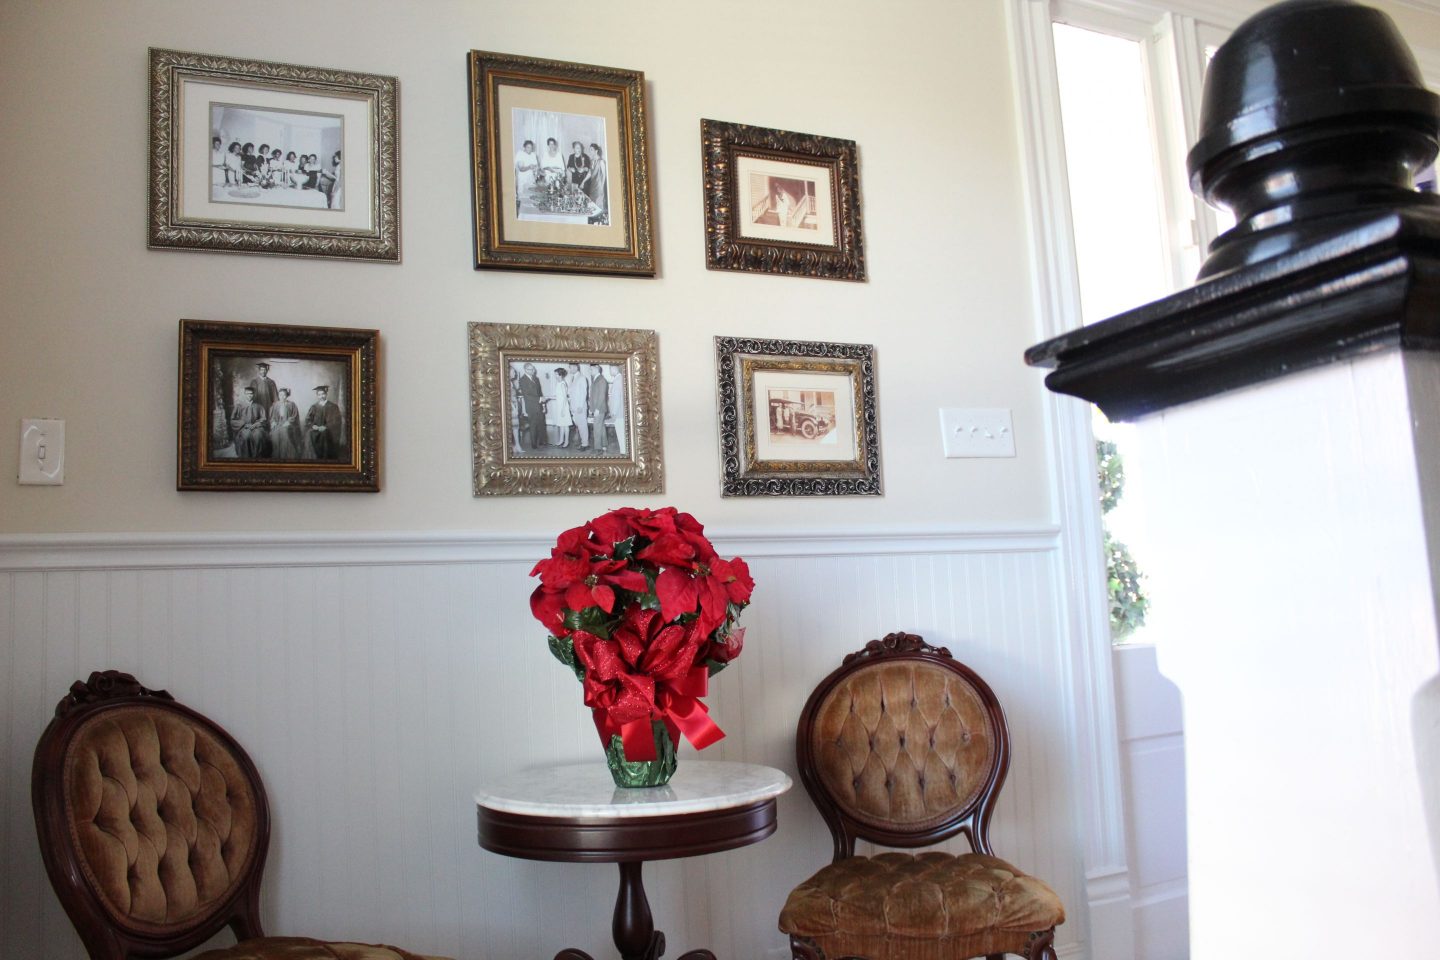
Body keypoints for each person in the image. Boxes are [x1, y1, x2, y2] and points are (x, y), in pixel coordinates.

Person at [228, 386, 270, 458]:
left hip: (256, 427)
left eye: (251, 394)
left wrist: (256, 424)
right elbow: (233, 420)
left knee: (259, 436)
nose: (249, 395)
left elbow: (264, 418)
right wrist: (243, 424)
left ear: (254, 394)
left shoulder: (258, 406)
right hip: (244, 427)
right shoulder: (239, 406)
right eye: (247, 394)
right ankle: (246, 457)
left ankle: (257, 457)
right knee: (246, 436)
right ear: (245, 394)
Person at [304, 385, 344, 460]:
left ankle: (325, 458)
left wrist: (326, 427)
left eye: (323, 394)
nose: (321, 396)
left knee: (324, 434)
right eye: (319, 395)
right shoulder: (314, 407)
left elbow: (336, 421)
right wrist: (313, 426)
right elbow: (308, 420)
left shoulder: (333, 406)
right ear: (317, 396)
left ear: (326, 394)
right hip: (316, 429)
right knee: (310, 434)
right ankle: (313, 458)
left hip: (328, 430)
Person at [516, 363, 546, 451]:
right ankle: (533, 444)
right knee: (533, 425)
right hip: (531, 407)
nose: (533, 371)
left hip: (539, 405)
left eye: (533, 369)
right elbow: (527, 395)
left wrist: (543, 405)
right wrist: (539, 399)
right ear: (525, 370)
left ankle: (541, 441)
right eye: (530, 369)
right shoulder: (522, 380)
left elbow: (540, 393)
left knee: (541, 424)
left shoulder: (536, 379)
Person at [268, 387, 303, 459]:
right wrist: (273, 422)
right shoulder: (275, 405)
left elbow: (294, 416)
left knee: (285, 432)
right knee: (275, 434)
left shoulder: (292, 404)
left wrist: (288, 422)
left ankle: (287, 456)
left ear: (287, 396)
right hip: (278, 424)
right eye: (280, 395)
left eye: (284, 395)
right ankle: (277, 455)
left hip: (289, 425)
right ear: (278, 395)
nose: (282, 397)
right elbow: (272, 417)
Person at [565, 362, 589, 450]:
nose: (569, 369)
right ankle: (582, 441)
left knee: (582, 426)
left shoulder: (582, 378)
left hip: (579, 407)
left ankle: (585, 444)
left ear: (576, 367)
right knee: (579, 425)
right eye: (569, 367)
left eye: (571, 367)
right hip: (574, 407)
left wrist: (580, 406)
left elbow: (583, 393)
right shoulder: (573, 378)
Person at [548, 367, 574, 447]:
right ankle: (561, 440)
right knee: (561, 425)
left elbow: (565, 398)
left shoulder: (562, 384)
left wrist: (563, 410)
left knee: (565, 426)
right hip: (560, 407)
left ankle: (566, 442)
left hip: (564, 407)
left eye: (556, 374)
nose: (555, 376)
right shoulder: (559, 384)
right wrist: (548, 397)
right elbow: (558, 397)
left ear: (560, 375)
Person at [582, 143, 608, 225]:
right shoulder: (592, 161)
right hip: (593, 186)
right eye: (589, 150)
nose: (590, 151)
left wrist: (602, 189)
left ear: (596, 151)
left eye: (591, 150)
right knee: (592, 205)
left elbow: (604, 176)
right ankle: (594, 222)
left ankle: (601, 222)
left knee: (599, 205)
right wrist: (583, 182)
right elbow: (590, 173)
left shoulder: (601, 162)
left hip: (599, 188)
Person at [587, 362, 610, 454]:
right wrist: (591, 408)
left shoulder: (601, 380)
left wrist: (597, 409)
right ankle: (604, 445)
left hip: (599, 409)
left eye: (591, 369)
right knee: (601, 427)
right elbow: (593, 395)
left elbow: (601, 396)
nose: (590, 371)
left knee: (597, 428)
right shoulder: (596, 379)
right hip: (596, 408)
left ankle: (598, 448)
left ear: (596, 368)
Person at [514, 139, 539, 215]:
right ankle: (522, 215)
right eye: (528, 147)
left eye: (531, 148)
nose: (529, 149)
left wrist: (536, 172)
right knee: (522, 199)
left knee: (531, 197)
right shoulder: (520, 154)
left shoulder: (533, 155)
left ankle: (531, 216)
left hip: (531, 178)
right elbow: (521, 168)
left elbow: (536, 166)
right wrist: (529, 167)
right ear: (524, 147)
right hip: (522, 179)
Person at [607, 364, 627, 455]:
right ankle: (625, 450)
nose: (610, 371)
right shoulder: (621, 379)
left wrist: (614, 412)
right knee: (623, 432)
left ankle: (623, 451)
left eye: (610, 369)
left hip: (618, 412)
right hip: (622, 411)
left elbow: (616, 398)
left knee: (620, 432)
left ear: (614, 368)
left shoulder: (617, 380)